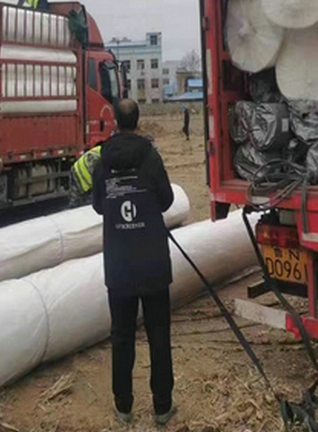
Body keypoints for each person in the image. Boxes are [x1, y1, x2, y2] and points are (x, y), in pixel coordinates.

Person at [92, 98, 176, 426]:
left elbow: (99, 207)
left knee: (122, 336)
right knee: (158, 335)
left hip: (120, 266)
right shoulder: (151, 158)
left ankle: (123, 406)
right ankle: (162, 407)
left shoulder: (103, 162)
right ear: (138, 121)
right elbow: (167, 200)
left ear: (115, 122)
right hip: (153, 262)